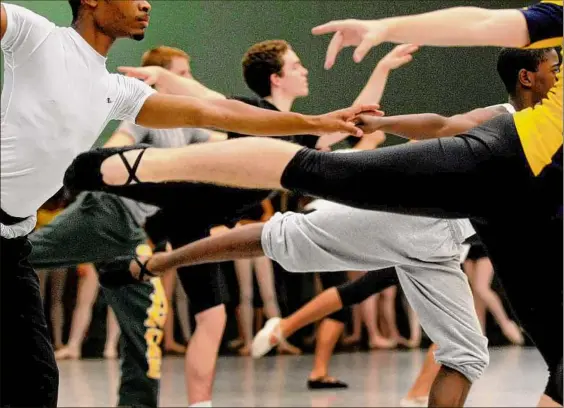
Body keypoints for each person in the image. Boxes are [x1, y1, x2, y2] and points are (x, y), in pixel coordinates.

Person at [72, 3, 561, 406]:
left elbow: (363, 127)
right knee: (289, 222)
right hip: (408, 208)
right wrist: (384, 44)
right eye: (297, 66)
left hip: (446, 234)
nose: (556, 72)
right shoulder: (507, 125)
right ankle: (141, 188)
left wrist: (379, 83)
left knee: (469, 355)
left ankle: (157, 260)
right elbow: (215, 103)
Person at [0, 1, 372, 406]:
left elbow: (215, 111)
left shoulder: (116, 91)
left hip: (12, 245)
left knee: (36, 380)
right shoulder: (36, 37)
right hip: (81, 219)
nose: (146, 3)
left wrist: (315, 122)